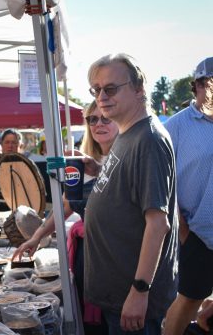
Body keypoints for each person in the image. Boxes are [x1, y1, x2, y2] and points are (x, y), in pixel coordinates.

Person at [83, 53, 178, 334]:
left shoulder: (149, 139)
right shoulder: (128, 133)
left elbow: (158, 223)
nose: (102, 96)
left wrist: (139, 290)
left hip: (133, 300)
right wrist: (99, 167)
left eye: (110, 88)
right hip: (118, 297)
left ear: (139, 89)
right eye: (96, 89)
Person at [13, 101, 118, 334]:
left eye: (105, 118)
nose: (98, 123)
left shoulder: (128, 155)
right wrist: (37, 236)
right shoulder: (80, 163)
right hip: (86, 258)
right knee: (93, 325)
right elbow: (65, 206)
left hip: (115, 259)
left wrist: (100, 169)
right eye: (92, 119)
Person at [163, 57, 213, 335]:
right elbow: (163, 182)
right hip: (195, 233)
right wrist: (183, 231)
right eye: (207, 85)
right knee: (188, 300)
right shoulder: (175, 127)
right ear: (195, 87)